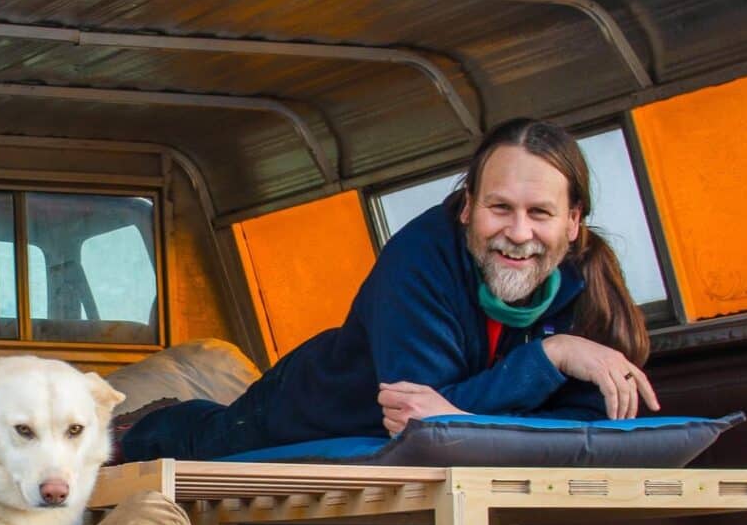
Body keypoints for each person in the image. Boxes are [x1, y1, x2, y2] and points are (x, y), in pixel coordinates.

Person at [122, 118, 659, 462]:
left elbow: (592, 420)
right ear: (468, 206)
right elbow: (414, 421)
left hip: (406, 428)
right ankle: (130, 428)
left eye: (539, 213)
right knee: (203, 441)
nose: (518, 233)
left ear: (572, 221)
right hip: (311, 406)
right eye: (500, 208)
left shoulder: (589, 281)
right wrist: (551, 357)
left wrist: (473, 421)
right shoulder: (420, 255)